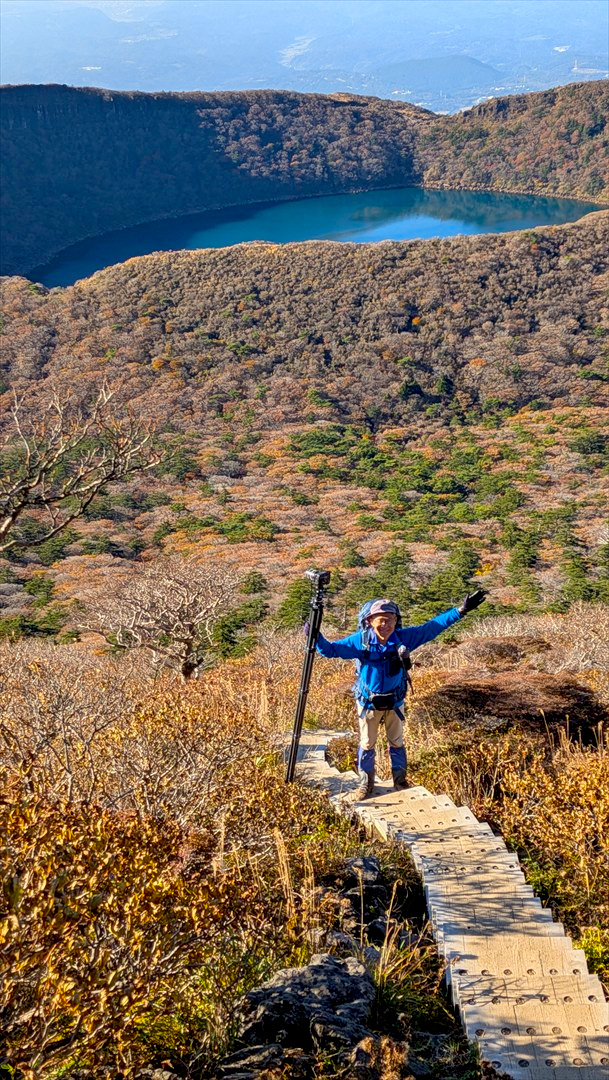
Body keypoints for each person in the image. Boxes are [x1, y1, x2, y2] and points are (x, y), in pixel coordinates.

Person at [314, 590, 486, 800]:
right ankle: (365, 785)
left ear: (396, 621)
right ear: (369, 621)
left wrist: (461, 611)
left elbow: (432, 628)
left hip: (395, 701)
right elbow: (331, 650)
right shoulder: (360, 641)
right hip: (368, 702)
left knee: (396, 741)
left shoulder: (404, 638)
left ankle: (400, 781)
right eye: (380, 619)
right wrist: (316, 637)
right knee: (367, 743)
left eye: (390, 619)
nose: (385, 624)